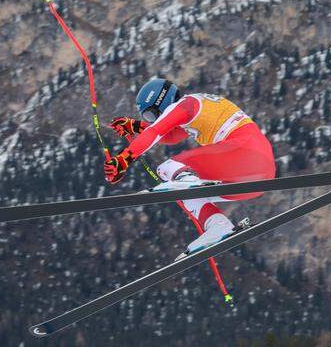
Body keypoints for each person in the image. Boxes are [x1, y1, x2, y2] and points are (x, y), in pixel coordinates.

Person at [104, 78, 276, 259]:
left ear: (162, 101)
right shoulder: (196, 105)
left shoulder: (185, 104)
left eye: (151, 115)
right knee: (189, 195)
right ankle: (217, 226)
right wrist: (135, 126)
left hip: (245, 153)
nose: (153, 120)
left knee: (168, 168)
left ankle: (187, 181)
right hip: (258, 173)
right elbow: (171, 136)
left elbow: (156, 131)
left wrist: (123, 159)